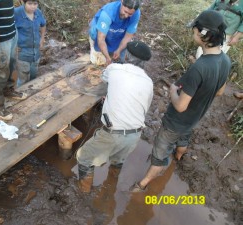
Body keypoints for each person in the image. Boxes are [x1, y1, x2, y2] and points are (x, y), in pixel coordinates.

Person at [130, 10, 231, 192]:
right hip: (195, 118)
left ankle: (142, 184)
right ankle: (178, 156)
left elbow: (180, 106)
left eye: (194, 31)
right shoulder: (225, 60)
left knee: (159, 154)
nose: (193, 34)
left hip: (175, 122)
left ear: (203, 35)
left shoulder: (199, 67)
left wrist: (172, 91)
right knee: (183, 138)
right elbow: (220, 92)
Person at [76, 41, 154, 193]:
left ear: (127, 56)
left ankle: (84, 193)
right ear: (144, 63)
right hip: (135, 135)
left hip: (114, 134)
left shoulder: (115, 68)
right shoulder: (149, 82)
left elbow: (104, 78)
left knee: (83, 157)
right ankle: (111, 186)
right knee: (118, 159)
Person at [88, 0, 141, 66]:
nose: (127, 15)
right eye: (125, 11)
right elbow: (101, 39)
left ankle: (114, 49)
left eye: (130, 14)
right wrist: (107, 58)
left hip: (119, 31)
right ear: (122, 2)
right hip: (100, 31)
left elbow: (128, 36)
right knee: (98, 61)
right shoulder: (108, 13)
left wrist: (118, 50)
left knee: (121, 58)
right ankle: (94, 47)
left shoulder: (136, 13)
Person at [14, 0, 46, 87]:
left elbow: (43, 25)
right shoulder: (16, 13)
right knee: (23, 78)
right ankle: (20, 95)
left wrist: (42, 39)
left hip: (36, 51)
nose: (33, 7)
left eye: (35, 4)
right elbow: (8, 30)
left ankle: (32, 94)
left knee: (33, 75)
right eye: (30, 4)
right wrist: (14, 46)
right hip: (22, 52)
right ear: (24, 2)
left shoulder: (38, 12)